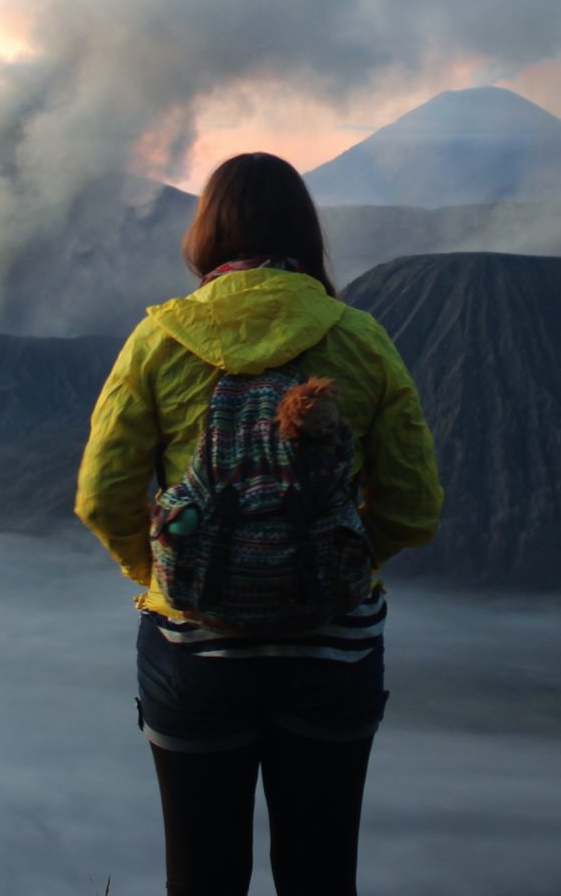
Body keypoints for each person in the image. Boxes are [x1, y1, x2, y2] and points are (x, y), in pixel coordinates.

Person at [76, 151, 444, 896]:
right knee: (319, 874)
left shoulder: (159, 340)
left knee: (203, 876)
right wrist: (338, 566)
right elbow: (412, 504)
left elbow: (102, 495)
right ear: (304, 235)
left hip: (193, 653)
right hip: (331, 653)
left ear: (208, 233)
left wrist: (165, 576)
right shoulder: (360, 338)